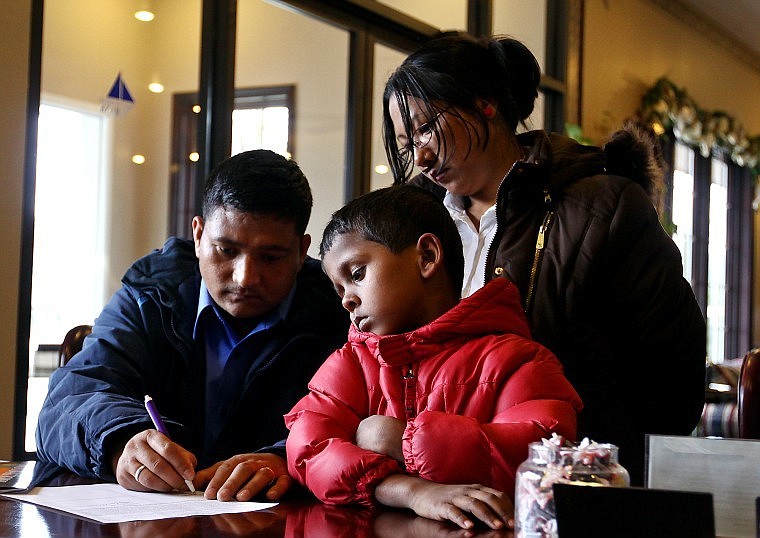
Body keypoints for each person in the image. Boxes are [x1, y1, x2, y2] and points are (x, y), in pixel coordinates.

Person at [381, 32, 706, 485]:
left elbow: (672, 375)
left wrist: (603, 466)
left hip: (564, 486)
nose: (421, 154)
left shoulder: (602, 209)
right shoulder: (408, 224)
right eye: (406, 140)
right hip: (429, 484)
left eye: (426, 127)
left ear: (485, 103)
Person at [36, 149, 349, 502]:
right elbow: (68, 402)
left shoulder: (342, 314)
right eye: (226, 251)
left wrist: (289, 458)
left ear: (301, 251)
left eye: (271, 257)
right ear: (198, 235)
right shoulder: (149, 296)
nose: (245, 278)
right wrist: (120, 440)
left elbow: (361, 421)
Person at [285, 185, 582, 530]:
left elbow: (544, 454)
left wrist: (400, 440)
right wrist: (411, 491)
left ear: (426, 256)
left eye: (356, 274)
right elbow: (307, 449)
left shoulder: (518, 360)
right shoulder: (351, 362)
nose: (346, 300)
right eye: (339, 289)